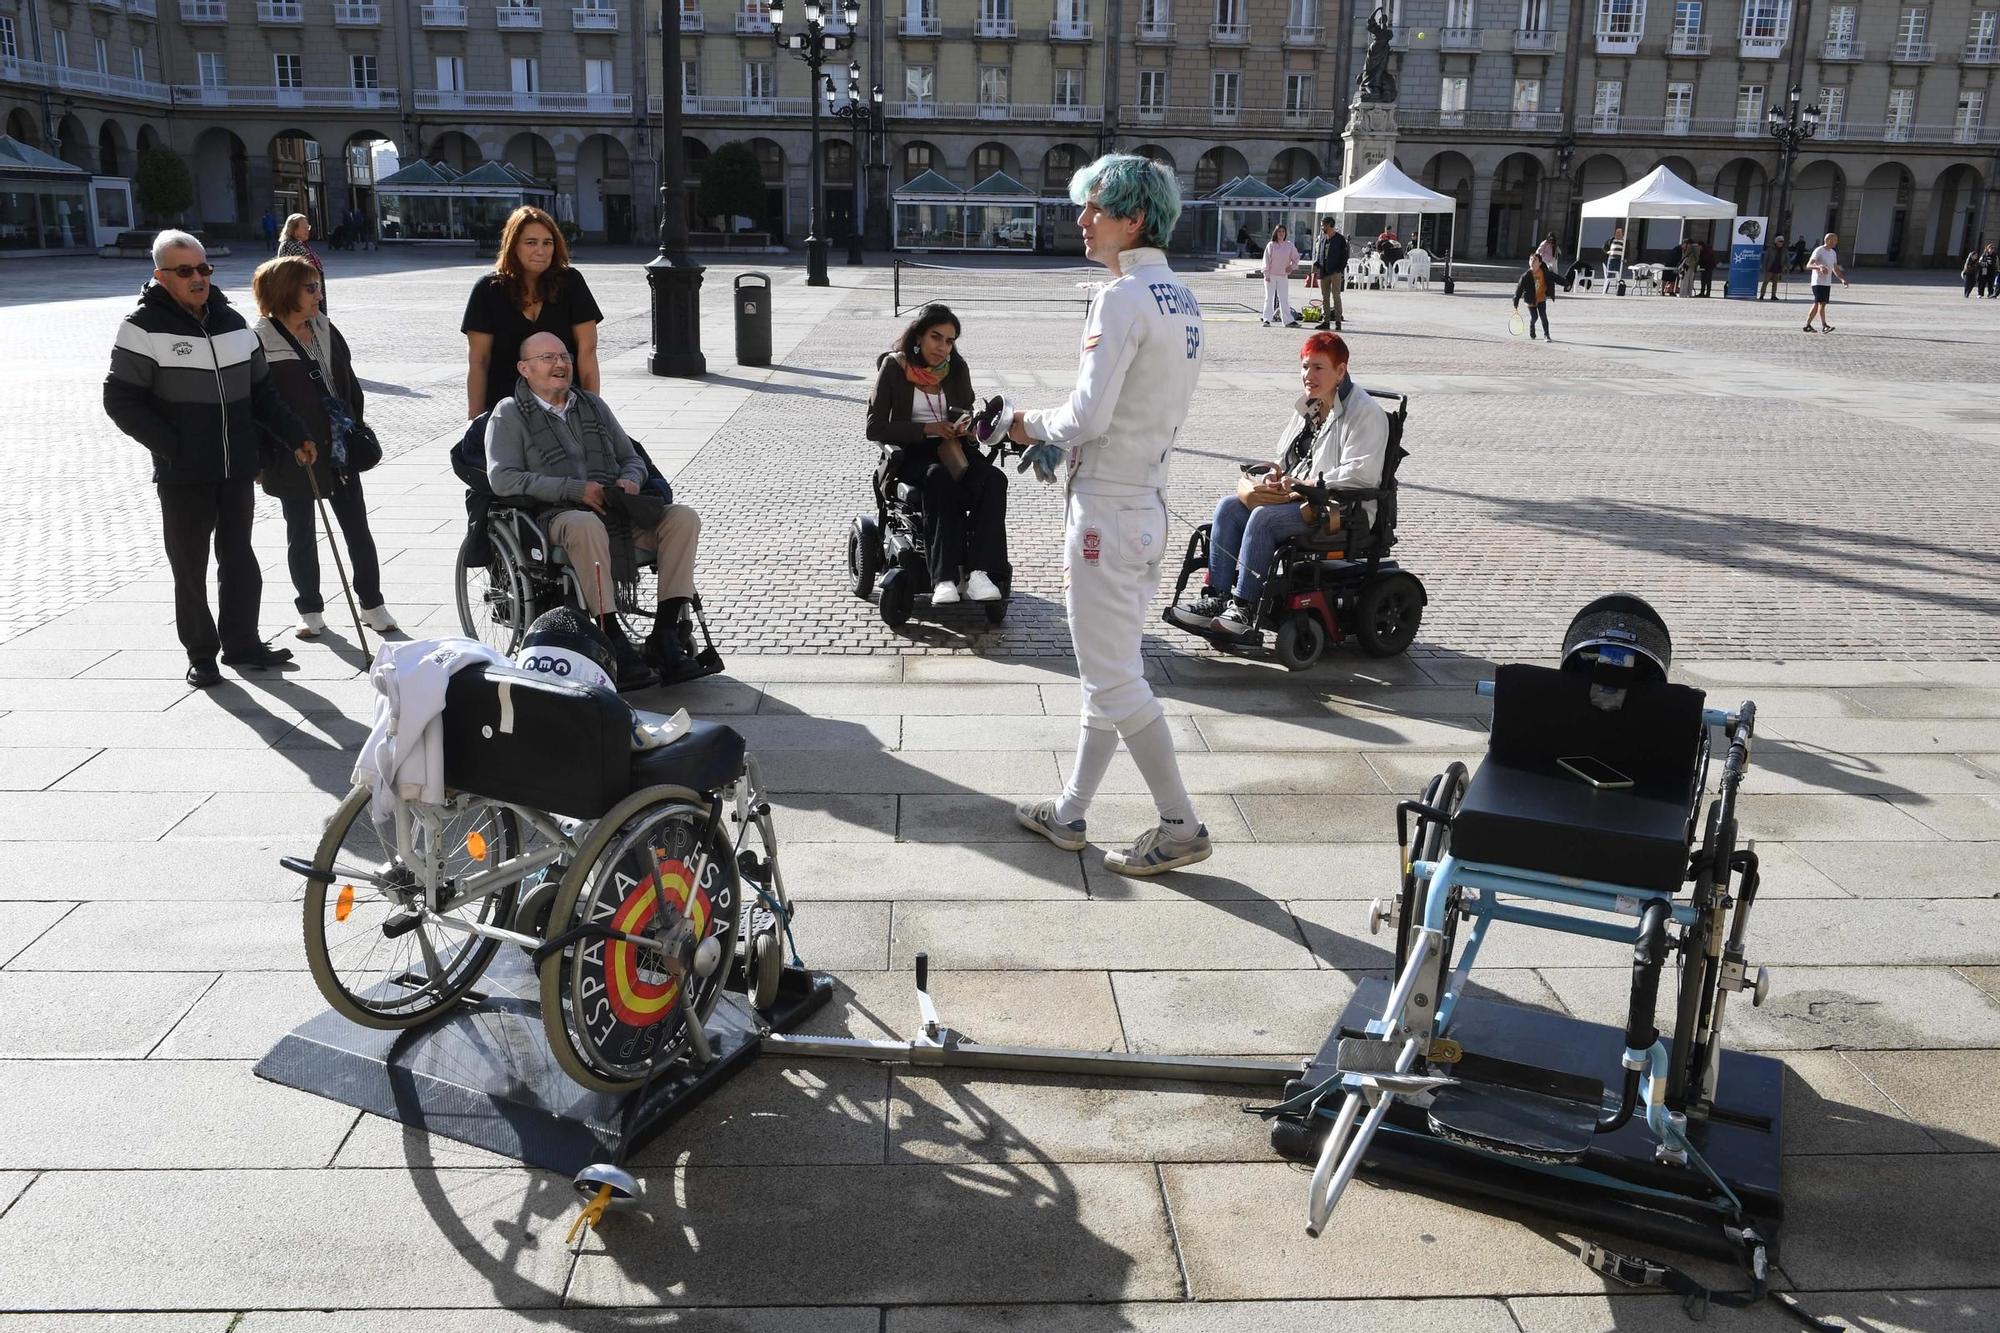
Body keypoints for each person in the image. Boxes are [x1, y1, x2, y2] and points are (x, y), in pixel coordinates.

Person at [1004, 153, 1211, 878]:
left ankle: (1180, 825)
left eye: (1096, 207)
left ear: (1135, 218)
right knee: (1108, 670)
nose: (1083, 219)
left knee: (1116, 678)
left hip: (1107, 512)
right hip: (1144, 503)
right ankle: (1069, 812)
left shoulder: (1121, 297)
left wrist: (1025, 425)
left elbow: (1087, 416)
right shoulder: (1181, 297)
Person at [103, 230, 310, 687]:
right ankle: (201, 654)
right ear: (161, 276)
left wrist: (296, 433)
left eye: (203, 268)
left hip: (236, 466)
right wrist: (173, 447)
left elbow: (262, 392)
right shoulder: (142, 327)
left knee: (240, 559)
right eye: (185, 271)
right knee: (190, 568)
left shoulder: (232, 321)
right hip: (183, 473)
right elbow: (120, 400)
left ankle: (243, 643)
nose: (197, 278)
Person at [485, 331, 705, 690]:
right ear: (524, 368)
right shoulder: (508, 414)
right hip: (553, 516)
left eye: (564, 357)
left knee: (682, 518)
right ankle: (611, 636)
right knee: (585, 524)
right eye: (548, 358)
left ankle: (665, 634)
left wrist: (630, 479)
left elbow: (632, 457)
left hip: (615, 510)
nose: (560, 364)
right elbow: (502, 478)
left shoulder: (592, 405)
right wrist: (573, 489)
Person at [1169, 331, 1387, 642]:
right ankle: (1217, 597)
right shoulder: (1310, 406)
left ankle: (1244, 607)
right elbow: (1287, 457)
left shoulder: (1365, 412)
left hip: (1341, 510)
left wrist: (1307, 483)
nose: (1308, 376)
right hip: (1300, 500)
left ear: (1341, 371)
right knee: (1229, 507)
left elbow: (1362, 473)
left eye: (1318, 368)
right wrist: (1276, 475)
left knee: (1264, 519)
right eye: (1305, 367)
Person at [250, 254, 397, 641]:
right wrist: (264, 457)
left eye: (318, 287)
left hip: (338, 447)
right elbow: (255, 406)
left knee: (357, 527)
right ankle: (310, 609)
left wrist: (354, 426)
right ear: (286, 292)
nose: (319, 295)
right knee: (300, 532)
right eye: (311, 288)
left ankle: (372, 604)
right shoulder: (260, 340)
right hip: (292, 451)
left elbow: (349, 385)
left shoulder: (325, 328)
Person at [864, 303, 1009, 605]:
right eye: (936, 337)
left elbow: (967, 410)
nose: (943, 347)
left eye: (950, 340)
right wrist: (927, 428)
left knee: (994, 479)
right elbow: (875, 427)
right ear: (918, 336)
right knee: (938, 477)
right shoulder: (894, 367)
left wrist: (968, 427)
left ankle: (980, 573)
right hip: (911, 452)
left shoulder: (957, 369)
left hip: (953, 447)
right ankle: (943, 578)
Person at [463, 205, 603, 419]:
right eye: (531, 242)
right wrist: (474, 420)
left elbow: (588, 351)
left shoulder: (571, 283)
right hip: (505, 411)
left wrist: (593, 412)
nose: (541, 251)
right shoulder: (488, 290)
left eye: (547, 243)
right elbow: (479, 362)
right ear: (513, 245)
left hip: (564, 410)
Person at [276, 213, 326, 312]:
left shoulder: (301, 244)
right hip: (301, 296)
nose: (307, 230)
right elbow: (294, 274)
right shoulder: (289, 245)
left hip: (312, 292)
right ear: (294, 230)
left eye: (308, 227)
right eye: (304, 227)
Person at [1804, 231, 1848, 332]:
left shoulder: (1833, 253)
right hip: (1817, 281)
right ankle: (1824, 325)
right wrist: (1819, 267)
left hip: (1827, 282)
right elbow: (1808, 265)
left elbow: (1835, 268)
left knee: (1819, 303)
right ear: (1827, 240)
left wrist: (1842, 279)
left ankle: (1808, 325)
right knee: (1821, 303)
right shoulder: (1819, 250)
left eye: (1836, 240)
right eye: (1834, 240)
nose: (1836, 242)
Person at [1261, 223, 1301, 328]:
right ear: (1276, 233)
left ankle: (1288, 321)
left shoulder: (1289, 245)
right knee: (1269, 298)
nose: (1281, 233)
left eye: (1283, 231)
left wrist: (1292, 266)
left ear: (1285, 233)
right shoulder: (1271, 245)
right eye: (1279, 231)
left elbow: (1296, 258)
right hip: (1271, 275)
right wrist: (1266, 274)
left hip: (1283, 276)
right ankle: (1266, 319)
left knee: (1284, 299)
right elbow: (1266, 260)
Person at [1311, 216, 1348, 331]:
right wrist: (1316, 264)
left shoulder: (1340, 239)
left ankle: (1338, 321)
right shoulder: (1322, 238)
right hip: (1324, 272)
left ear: (1330, 225)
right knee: (1325, 297)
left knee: (1336, 296)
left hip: (1335, 272)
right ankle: (1326, 321)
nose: (1322, 227)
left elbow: (1344, 256)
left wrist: (1340, 269)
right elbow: (1320, 254)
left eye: (1323, 225)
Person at [1513, 253, 1555, 340]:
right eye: (1531, 259)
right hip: (1530, 299)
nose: (1532, 261)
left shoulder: (1544, 272)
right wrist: (1516, 301)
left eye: (1535, 260)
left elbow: (1556, 277)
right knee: (1534, 317)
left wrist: (1566, 284)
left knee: (1543, 316)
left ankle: (1546, 335)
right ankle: (1532, 325)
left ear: (1540, 263)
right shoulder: (1525, 276)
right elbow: (1519, 289)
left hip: (1541, 298)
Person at [1760, 233, 1787, 300]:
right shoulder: (1770, 249)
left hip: (1778, 268)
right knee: (1765, 282)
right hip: (1770, 268)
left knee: (1775, 283)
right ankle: (1762, 295)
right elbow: (1765, 259)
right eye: (1779, 241)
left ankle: (1773, 295)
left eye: (1782, 241)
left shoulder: (1784, 250)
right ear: (1776, 242)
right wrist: (1764, 268)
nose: (1781, 243)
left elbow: (1786, 259)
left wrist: (1786, 266)